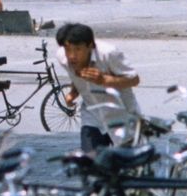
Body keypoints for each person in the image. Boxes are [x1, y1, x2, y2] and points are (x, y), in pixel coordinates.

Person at [55, 23, 141, 153]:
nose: (72, 55)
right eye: (68, 49)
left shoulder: (109, 54)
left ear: (90, 45)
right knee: (91, 163)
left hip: (122, 115)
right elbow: (76, 78)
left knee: (127, 166)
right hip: (92, 116)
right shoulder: (63, 57)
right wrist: (73, 92)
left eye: (78, 49)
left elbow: (134, 79)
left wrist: (105, 80)